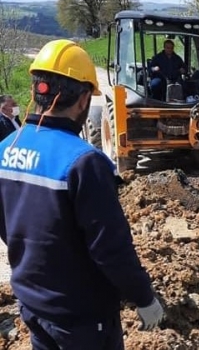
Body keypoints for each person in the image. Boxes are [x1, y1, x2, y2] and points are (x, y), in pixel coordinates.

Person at [0, 39, 164, 349]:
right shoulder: (84, 162)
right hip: (83, 317)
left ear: (37, 89)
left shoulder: (4, 151)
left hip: (33, 305)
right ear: (84, 98)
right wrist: (143, 297)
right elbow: (110, 248)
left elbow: (9, 227)